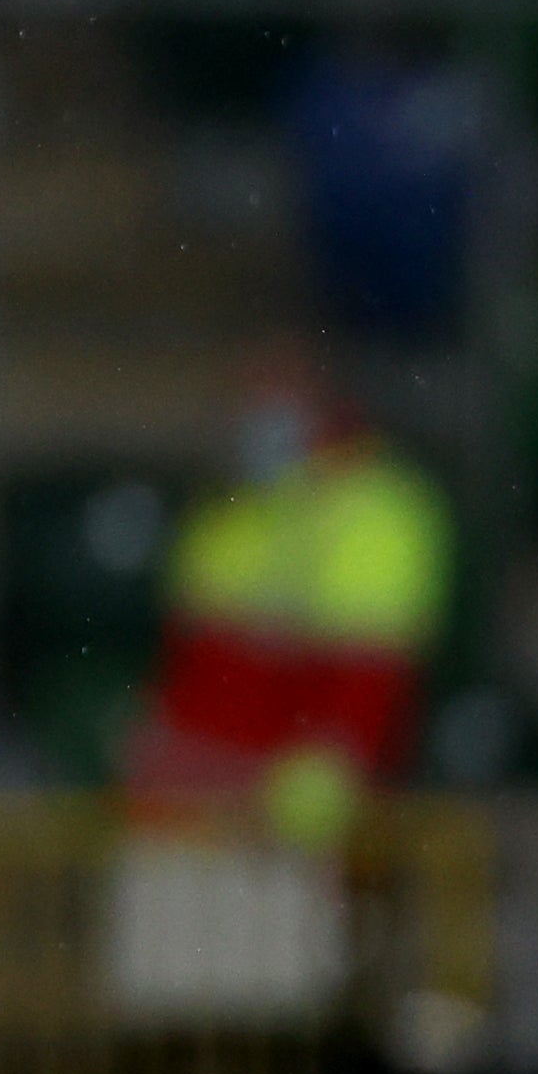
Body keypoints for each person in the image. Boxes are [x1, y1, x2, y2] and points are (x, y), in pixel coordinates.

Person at [127, 345, 450, 849]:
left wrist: (306, 811)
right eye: (246, 403)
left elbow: (368, 686)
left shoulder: (378, 511)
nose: (253, 421)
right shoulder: (229, 506)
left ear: (322, 408)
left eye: (272, 403)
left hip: (295, 831)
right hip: (190, 810)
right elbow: (187, 665)